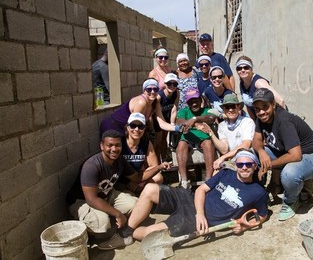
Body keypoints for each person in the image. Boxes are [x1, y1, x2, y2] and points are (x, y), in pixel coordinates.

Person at [97, 149, 268, 249]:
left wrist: (244, 226)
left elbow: (262, 215)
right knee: (150, 188)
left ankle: (133, 233)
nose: (244, 168)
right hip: (190, 199)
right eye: (240, 164)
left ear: (255, 166)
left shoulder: (258, 193)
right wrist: (199, 212)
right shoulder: (226, 173)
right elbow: (201, 189)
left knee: (148, 235)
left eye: (248, 164)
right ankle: (125, 233)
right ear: (236, 165)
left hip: (194, 222)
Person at [252, 88, 313, 221]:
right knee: (254, 154)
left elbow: (296, 155)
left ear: (273, 104)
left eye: (265, 107)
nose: (261, 112)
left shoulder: (284, 121)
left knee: (289, 173)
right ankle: (273, 185)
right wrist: (261, 152)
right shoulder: (262, 118)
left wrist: (269, 165)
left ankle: (292, 201)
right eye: (257, 108)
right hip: (289, 152)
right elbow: (256, 141)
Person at [66, 130, 138, 247]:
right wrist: (118, 214)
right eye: (109, 145)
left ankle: (110, 224)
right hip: (83, 201)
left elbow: (136, 177)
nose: (114, 149)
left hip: (106, 195)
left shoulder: (119, 160)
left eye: (117, 145)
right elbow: (91, 199)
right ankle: (88, 231)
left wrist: (158, 167)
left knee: (136, 204)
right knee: (102, 222)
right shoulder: (92, 166)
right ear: (102, 146)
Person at [99, 78, 180, 137]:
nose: (152, 92)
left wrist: (177, 128)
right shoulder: (141, 102)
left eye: (155, 89)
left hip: (128, 129)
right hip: (113, 126)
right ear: (144, 91)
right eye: (149, 89)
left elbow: (162, 123)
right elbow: (134, 126)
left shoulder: (155, 102)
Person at [198, 94, 255, 171]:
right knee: (215, 176)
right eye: (227, 107)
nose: (230, 110)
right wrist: (211, 133)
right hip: (231, 162)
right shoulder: (222, 126)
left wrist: (223, 157)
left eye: (233, 106)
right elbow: (224, 149)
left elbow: (246, 145)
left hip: (246, 161)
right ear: (224, 109)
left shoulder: (247, 122)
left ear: (238, 107)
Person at [119, 112, 171, 195]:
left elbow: (153, 166)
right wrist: (128, 182)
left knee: (158, 177)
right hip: (122, 180)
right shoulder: (120, 143)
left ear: (144, 128)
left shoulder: (146, 143)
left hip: (139, 178)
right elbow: (115, 169)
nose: (136, 129)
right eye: (133, 126)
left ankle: (142, 194)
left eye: (140, 126)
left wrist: (141, 182)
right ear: (127, 127)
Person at [176, 87, 217, 189]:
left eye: (196, 101)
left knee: (208, 143)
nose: (194, 104)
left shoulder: (207, 110)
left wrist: (194, 119)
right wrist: (198, 125)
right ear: (187, 103)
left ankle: (208, 179)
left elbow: (211, 118)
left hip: (203, 140)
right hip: (188, 138)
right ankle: (184, 181)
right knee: (181, 145)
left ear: (200, 100)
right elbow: (180, 122)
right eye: (191, 102)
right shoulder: (183, 111)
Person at [236, 56, 286, 120]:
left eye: (246, 67)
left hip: (274, 119)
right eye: (239, 68)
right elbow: (248, 105)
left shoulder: (258, 83)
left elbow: (281, 101)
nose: (242, 70)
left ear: (251, 69)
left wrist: (282, 122)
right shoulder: (242, 84)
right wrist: (254, 122)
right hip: (261, 120)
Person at [155, 73, 180, 161]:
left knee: (164, 139)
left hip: (167, 116)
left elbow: (174, 108)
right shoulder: (159, 96)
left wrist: (172, 124)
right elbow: (156, 113)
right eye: (169, 83)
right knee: (158, 141)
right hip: (157, 119)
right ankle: (157, 163)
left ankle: (164, 158)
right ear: (165, 84)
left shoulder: (176, 92)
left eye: (175, 84)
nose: (172, 86)